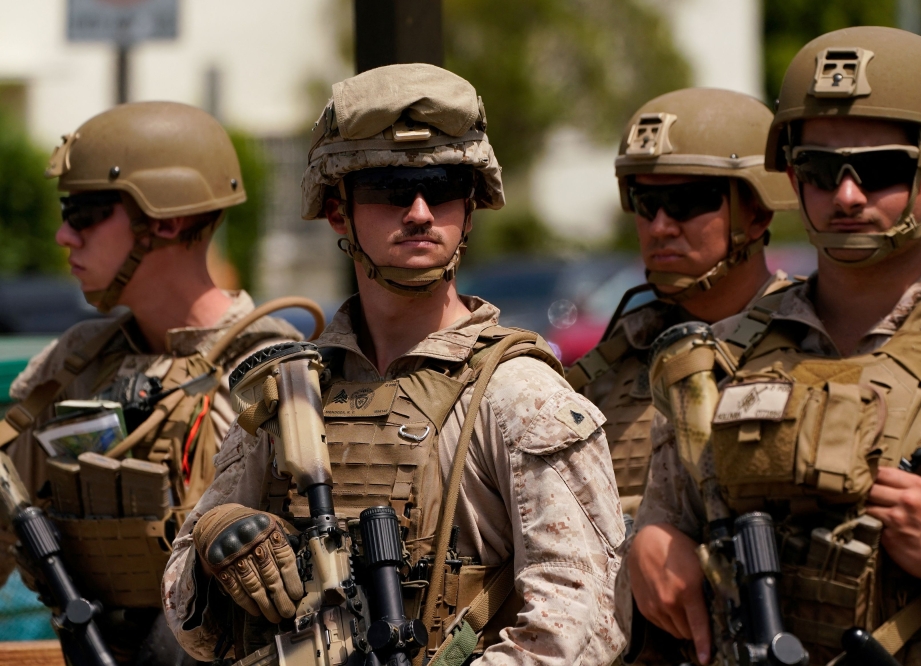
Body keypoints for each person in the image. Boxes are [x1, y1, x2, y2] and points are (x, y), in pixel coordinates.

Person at [162, 63, 626, 666]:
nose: (418, 211)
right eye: (387, 188)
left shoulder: (520, 396)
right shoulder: (291, 394)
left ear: (470, 206)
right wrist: (213, 538)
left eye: (441, 187)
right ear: (337, 210)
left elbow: (582, 626)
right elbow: (188, 625)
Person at [627, 26, 921, 666]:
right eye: (821, 172)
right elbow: (666, 529)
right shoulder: (716, 363)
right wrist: (650, 547)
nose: (847, 196)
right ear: (793, 181)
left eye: (880, 169)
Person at [0, 101, 303, 665]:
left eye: (84, 212)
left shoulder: (276, 370)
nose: (64, 235)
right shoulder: (72, 363)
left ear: (165, 220)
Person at [567, 88, 797, 526]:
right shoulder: (612, 365)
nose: (660, 226)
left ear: (757, 213)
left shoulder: (813, 344)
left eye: (687, 201)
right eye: (645, 202)